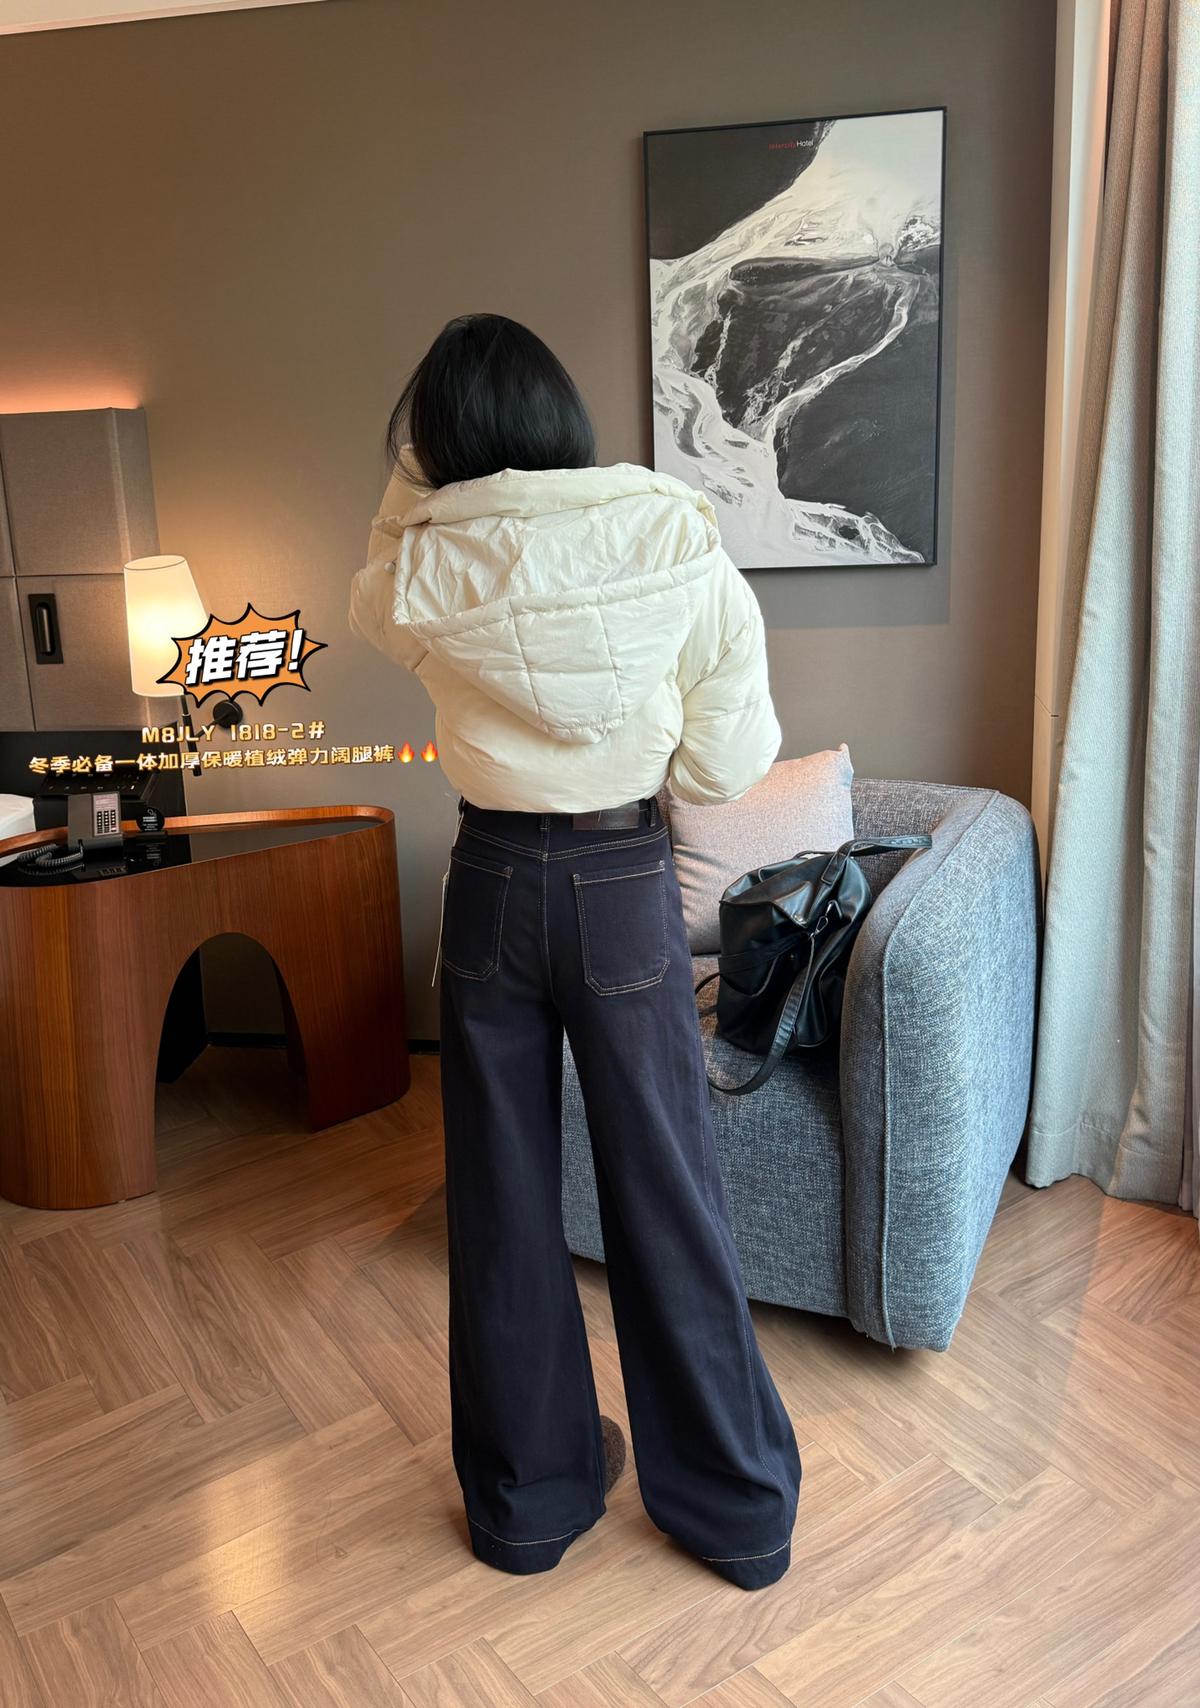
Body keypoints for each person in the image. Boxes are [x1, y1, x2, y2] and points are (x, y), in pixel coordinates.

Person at [349, 313, 802, 1591]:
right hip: (618, 882)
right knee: (667, 1188)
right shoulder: (673, 536)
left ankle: (528, 1504)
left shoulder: (421, 567)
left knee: (497, 1198)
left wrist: (428, 469)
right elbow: (723, 765)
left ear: (435, 449)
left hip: (490, 880)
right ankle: (735, 1509)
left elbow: (380, 556)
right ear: (561, 416)